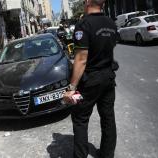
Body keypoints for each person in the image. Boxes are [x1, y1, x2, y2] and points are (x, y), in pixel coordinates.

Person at [63, 0, 118, 158]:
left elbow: (81, 59)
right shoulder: (111, 23)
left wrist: (71, 89)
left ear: (87, 2)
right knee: (108, 117)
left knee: (80, 119)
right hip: (108, 78)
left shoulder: (83, 25)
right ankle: (107, 155)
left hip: (90, 81)